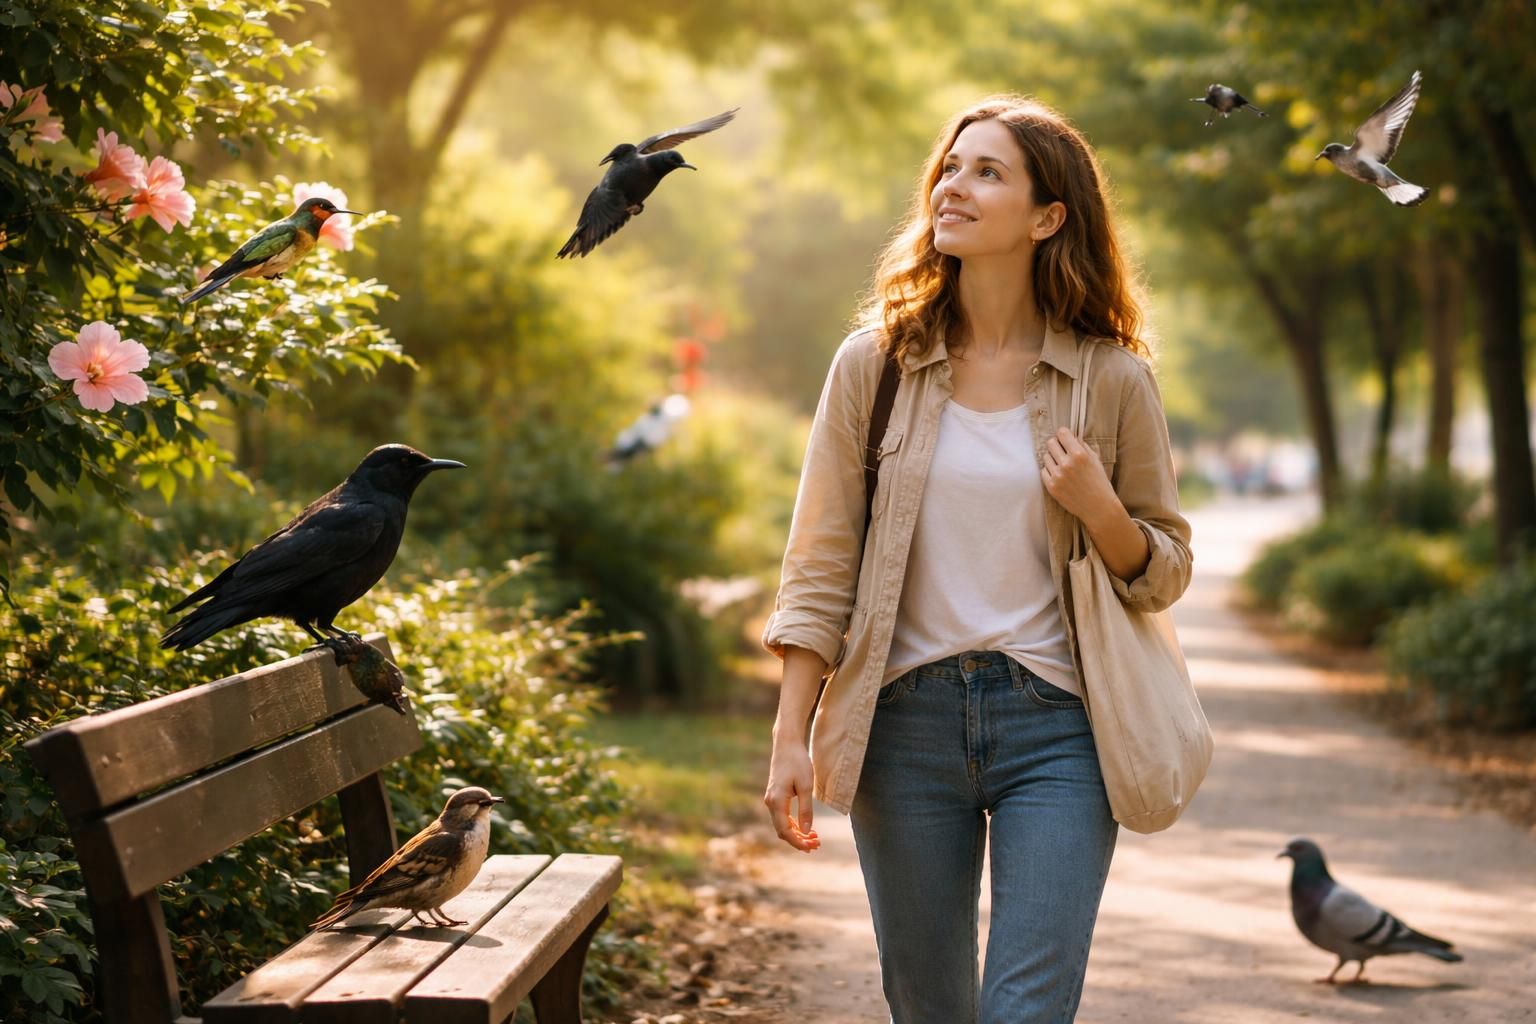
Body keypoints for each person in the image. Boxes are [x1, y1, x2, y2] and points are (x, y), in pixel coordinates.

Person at [760, 94, 1193, 1023]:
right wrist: (789, 732)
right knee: (931, 1009)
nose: (954, 185)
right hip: (902, 726)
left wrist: (1100, 508)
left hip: (1060, 727)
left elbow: (1164, 568)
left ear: (1048, 218)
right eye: (950, 168)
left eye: (988, 171)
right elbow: (819, 563)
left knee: (1025, 1012)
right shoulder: (873, 366)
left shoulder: (1111, 379)